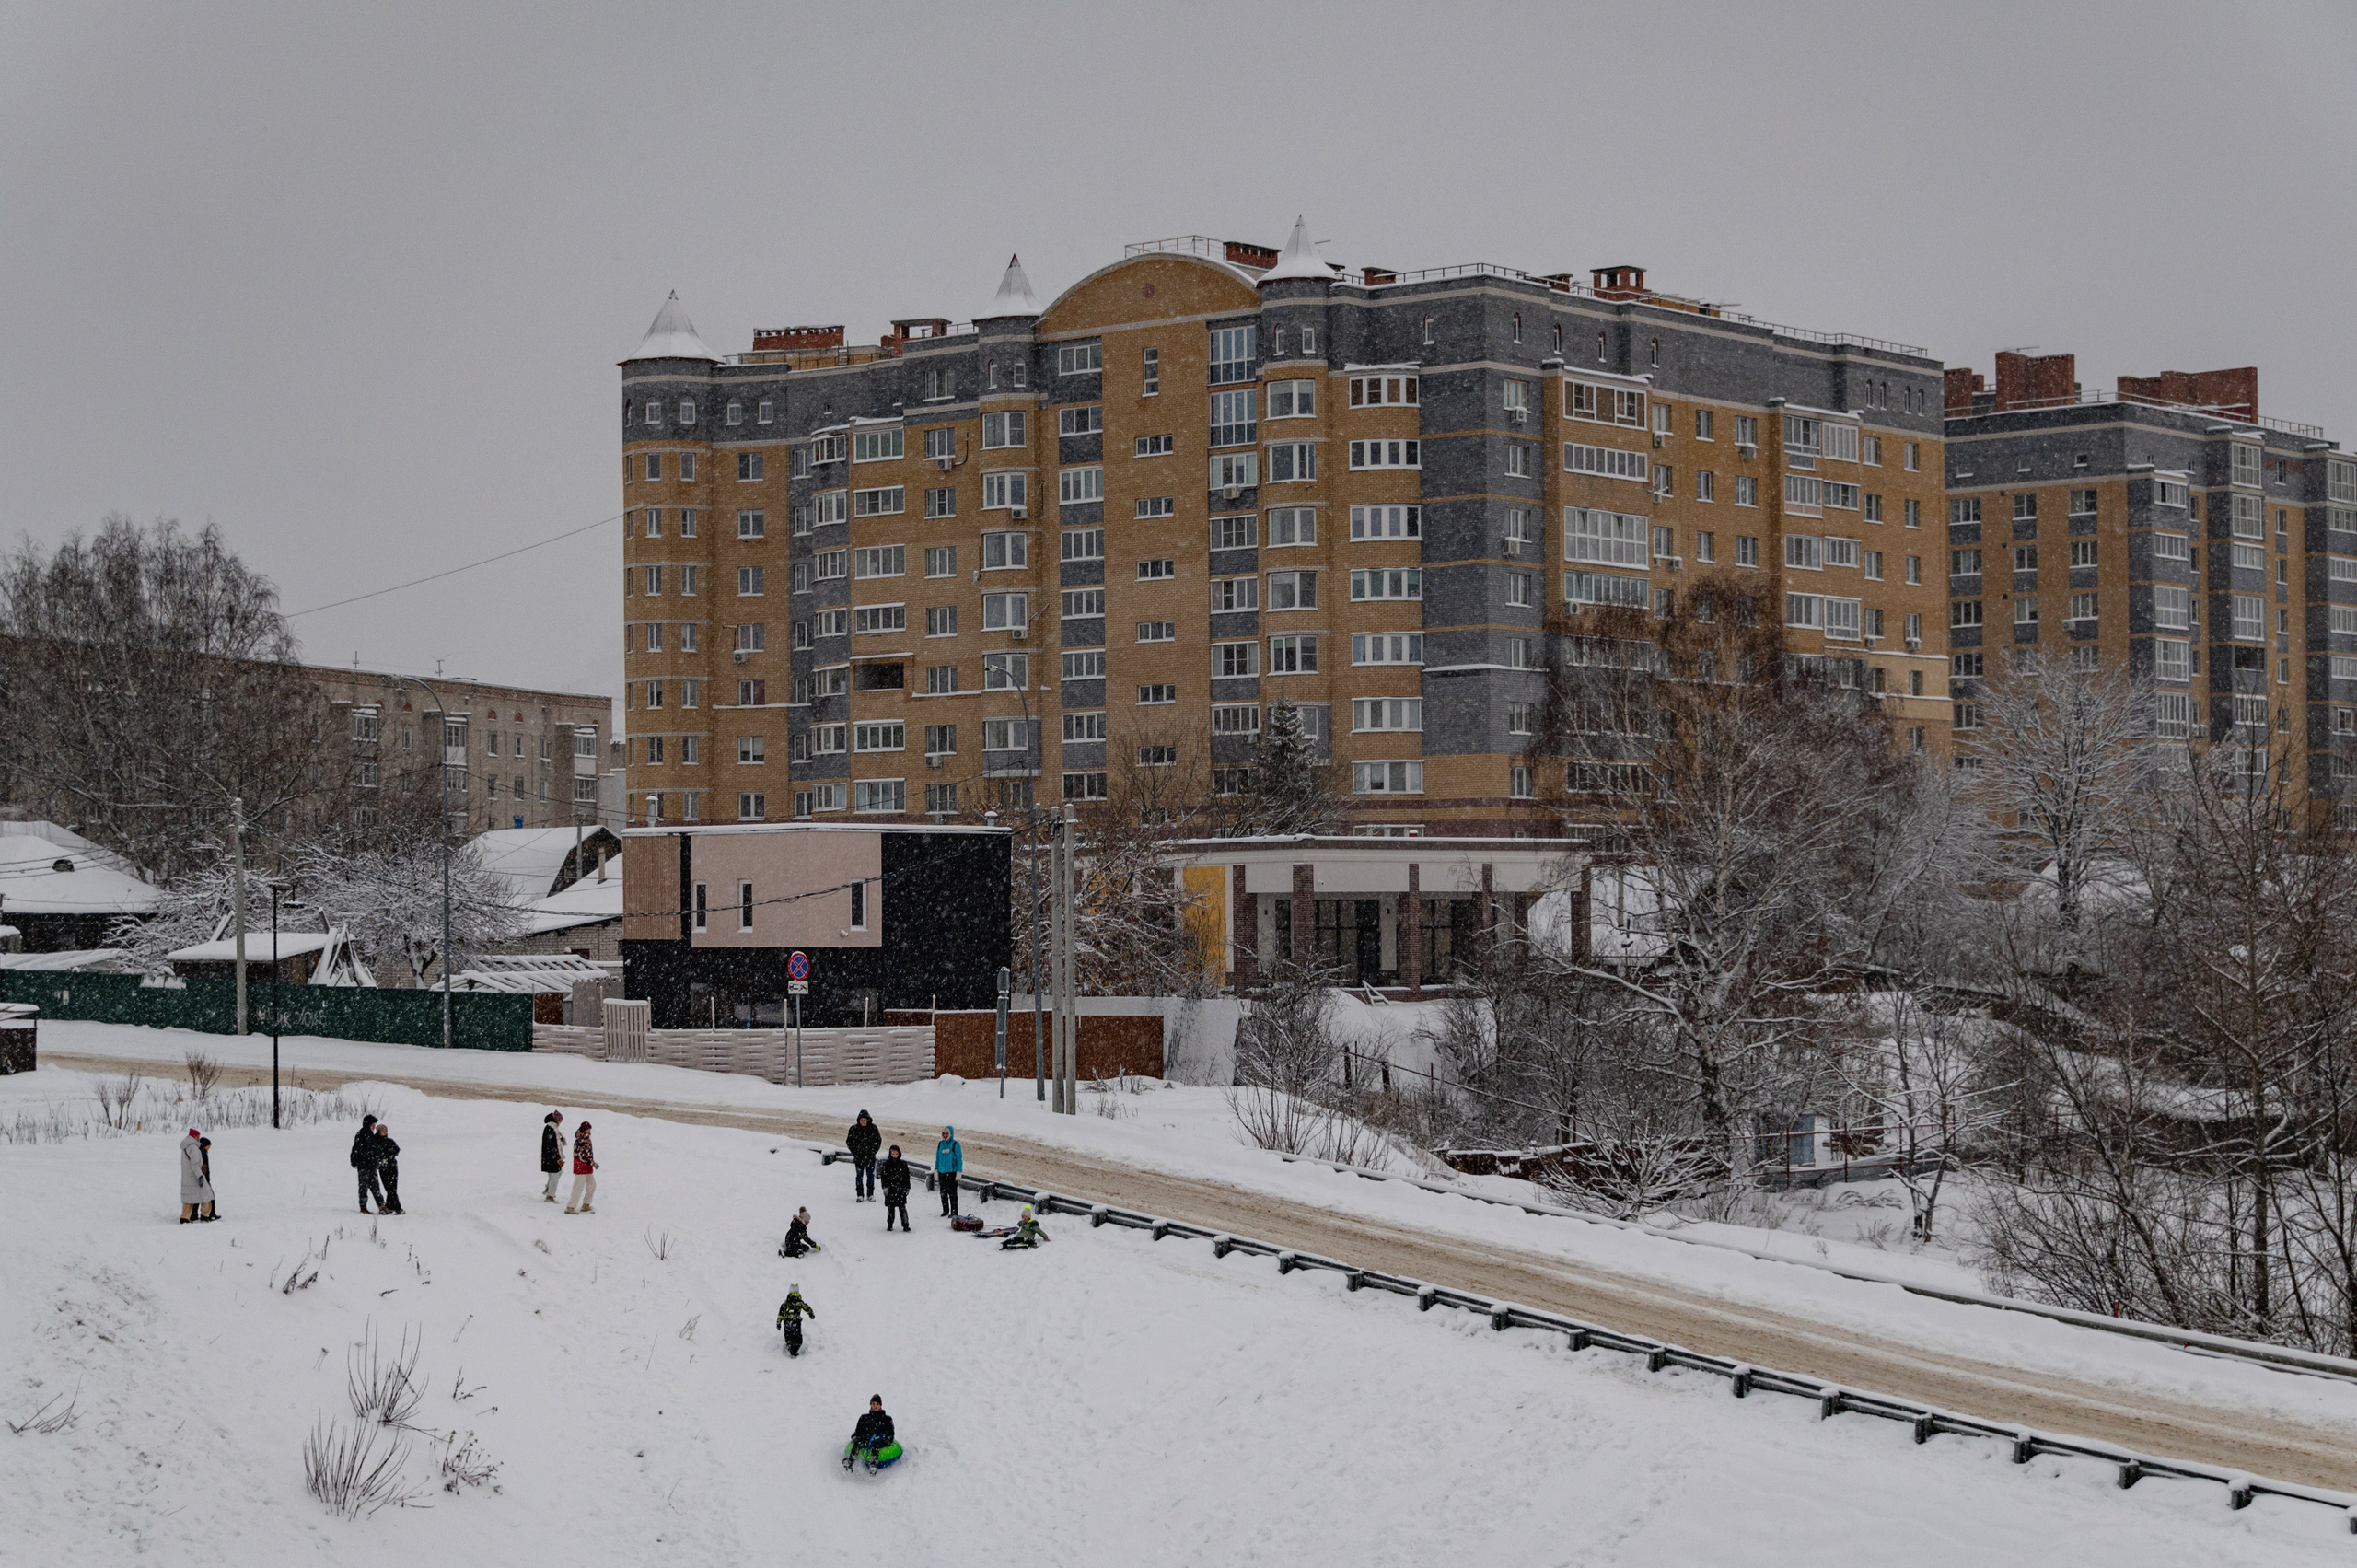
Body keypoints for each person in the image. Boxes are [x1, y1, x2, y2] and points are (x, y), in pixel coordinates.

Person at [844, 1395, 895, 1469]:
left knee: (875, 1443)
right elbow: (857, 1432)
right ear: (870, 1405)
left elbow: (891, 1434)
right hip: (866, 1439)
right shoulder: (864, 1418)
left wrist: (887, 1440)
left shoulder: (887, 1419)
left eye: (877, 1404)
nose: (875, 1406)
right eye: (873, 1404)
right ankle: (850, 1462)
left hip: (880, 1440)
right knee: (858, 1442)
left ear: (880, 1405)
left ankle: (873, 1465)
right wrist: (855, 1437)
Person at [350, 1113, 387, 1214]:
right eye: (373, 1125)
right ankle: (363, 1207)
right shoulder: (361, 1135)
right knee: (363, 1187)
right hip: (364, 1166)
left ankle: (382, 1206)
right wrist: (355, 1161)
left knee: (376, 1187)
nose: (374, 1127)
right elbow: (356, 1150)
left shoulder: (372, 1136)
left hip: (372, 1166)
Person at [179, 1128, 215, 1223]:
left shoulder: (186, 1148)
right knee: (207, 1195)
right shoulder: (194, 1148)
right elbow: (195, 1163)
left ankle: (185, 1217)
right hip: (195, 1176)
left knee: (189, 1197)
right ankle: (205, 1215)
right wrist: (200, 1175)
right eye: (198, 1136)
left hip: (187, 1176)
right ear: (194, 1136)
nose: (199, 1138)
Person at [846, 1111, 881, 1202]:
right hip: (859, 1158)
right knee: (859, 1176)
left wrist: (872, 1152)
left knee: (870, 1176)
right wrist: (856, 1152)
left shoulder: (873, 1128)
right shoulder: (854, 1129)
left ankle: (870, 1194)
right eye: (861, 1120)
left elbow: (878, 1141)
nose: (863, 1121)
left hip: (870, 1158)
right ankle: (860, 1194)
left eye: (864, 1120)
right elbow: (849, 1142)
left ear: (868, 1120)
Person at [564, 1120, 598, 1214]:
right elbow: (582, 1155)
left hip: (587, 1167)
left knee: (592, 1185)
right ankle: (570, 1207)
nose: (589, 1131)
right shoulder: (580, 1141)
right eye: (587, 1129)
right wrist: (591, 1162)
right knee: (578, 1187)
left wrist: (591, 1162)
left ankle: (586, 1204)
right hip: (581, 1166)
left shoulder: (587, 1140)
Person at [775, 1286, 816, 1358]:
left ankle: (789, 1344)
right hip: (796, 1322)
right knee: (797, 1337)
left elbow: (781, 1313)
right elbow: (806, 1307)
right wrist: (811, 1314)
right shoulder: (799, 1302)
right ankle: (794, 1350)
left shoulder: (786, 1303)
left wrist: (779, 1322)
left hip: (787, 1322)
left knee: (788, 1334)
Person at [879, 1145, 911, 1232]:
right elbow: (884, 1177)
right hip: (891, 1190)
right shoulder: (887, 1164)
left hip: (900, 1189)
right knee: (891, 1208)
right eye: (893, 1153)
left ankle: (905, 1224)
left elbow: (906, 1177)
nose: (895, 1155)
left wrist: (907, 1187)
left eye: (896, 1153)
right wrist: (885, 1187)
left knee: (902, 1208)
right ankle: (890, 1224)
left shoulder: (903, 1164)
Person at [375, 1122, 405, 1215]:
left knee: (393, 1187)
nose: (385, 1132)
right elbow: (377, 1153)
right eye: (383, 1130)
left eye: (386, 1130)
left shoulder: (389, 1141)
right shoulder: (375, 1142)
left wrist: (389, 1154)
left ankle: (390, 1205)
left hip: (392, 1167)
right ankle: (397, 1207)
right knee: (389, 1187)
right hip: (384, 1167)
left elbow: (397, 1149)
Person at [935, 1125, 963, 1218]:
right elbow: (938, 1158)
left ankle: (954, 1212)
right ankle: (945, 1210)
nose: (945, 1135)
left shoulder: (955, 1144)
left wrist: (958, 1171)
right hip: (942, 1172)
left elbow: (959, 1159)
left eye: (947, 1134)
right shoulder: (940, 1144)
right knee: (943, 1193)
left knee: (953, 1194)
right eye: (943, 1133)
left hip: (951, 1173)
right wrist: (936, 1170)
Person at [540, 1111, 564, 1202]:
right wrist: (557, 1158)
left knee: (555, 1173)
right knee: (556, 1174)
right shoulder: (551, 1128)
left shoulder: (551, 1127)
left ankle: (548, 1188)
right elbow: (551, 1145)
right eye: (560, 1120)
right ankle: (550, 1195)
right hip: (551, 1157)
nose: (560, 1122)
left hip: (549, 1156)